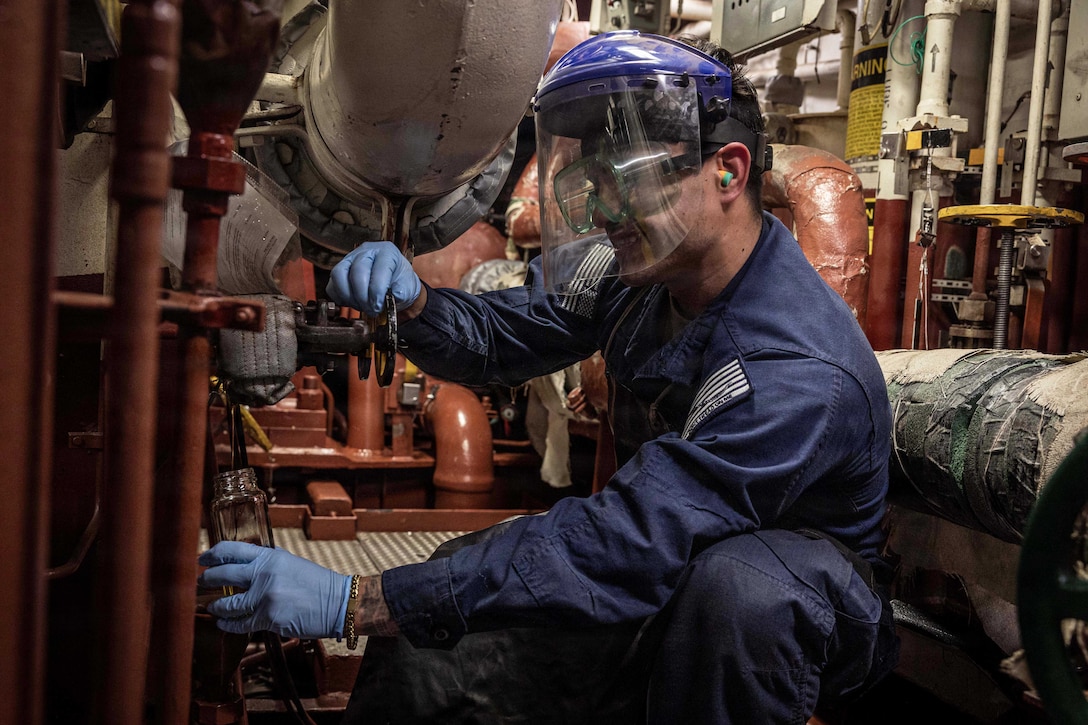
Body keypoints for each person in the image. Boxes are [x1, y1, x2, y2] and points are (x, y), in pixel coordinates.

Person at [199, 31, 899, 723]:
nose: (601, 211)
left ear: (729, 171)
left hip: (794, 613)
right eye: (592, 185)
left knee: (739, 592)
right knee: (437, 639)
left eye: (628, 180)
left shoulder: (794, 367)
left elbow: (632, 537)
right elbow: (505, 335)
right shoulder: (646, 275)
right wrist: (416, 302)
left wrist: (357, 600)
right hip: (670, 564)